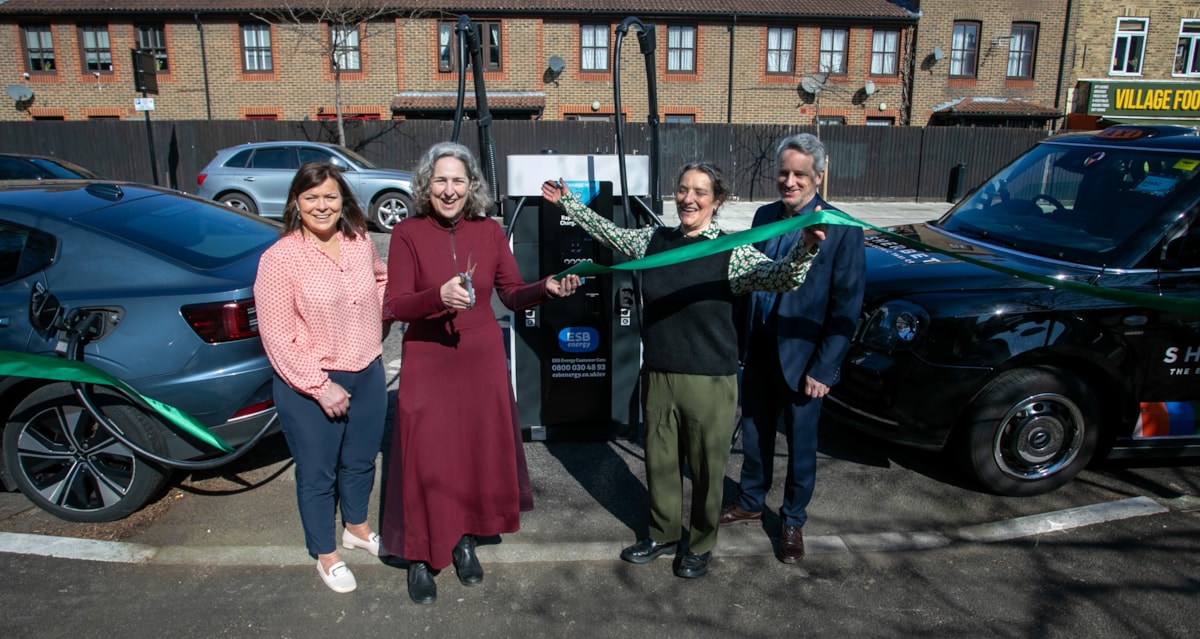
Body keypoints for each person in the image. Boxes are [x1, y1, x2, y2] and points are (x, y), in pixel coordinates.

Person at [541, 162, 823, 579]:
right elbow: (610, 234)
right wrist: (571, 205)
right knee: (660, 463)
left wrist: (806, 247)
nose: (688, 199)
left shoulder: (733, 251)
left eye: (700, 192)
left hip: (710, 381)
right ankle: (662, 533)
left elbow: (780, 277)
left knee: (708, 470)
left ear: (717, 201)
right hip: (658, 374)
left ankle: (702, 542)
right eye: (682, 189)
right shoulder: (654, 240)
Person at [381, 142, 581, 605]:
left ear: (472, 186)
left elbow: (511, 293)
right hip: (429, 361)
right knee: (424, 458)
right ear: (425, 184)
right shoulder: (408, 232)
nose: (449, 190)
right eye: (440, 180)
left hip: (481, 360)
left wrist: (545, 288)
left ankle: (464, 540)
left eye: (458, 181)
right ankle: (419, 555)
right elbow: (394, 304)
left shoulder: (489, 232)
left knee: (472, 454)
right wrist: (436, 297)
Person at [719, 133, 866, 565]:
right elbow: (749, 277)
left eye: (800, 174)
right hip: (759, 349)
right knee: (754, 435)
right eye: (784, 172)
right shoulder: (765, 215)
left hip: (804, 359)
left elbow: (847, 305)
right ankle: (749, 500)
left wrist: (826, 368)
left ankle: (792, 521)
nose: (789, 181)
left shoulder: (842, 227)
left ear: (818, 177)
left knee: (801, 447)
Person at [254, 162, 390, 594]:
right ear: (296, 202)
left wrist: (376, 323)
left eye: (330, 196)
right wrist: (318, 385)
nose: (322, 206)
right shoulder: (279, 258)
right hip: (312, 382)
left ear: (343, 201)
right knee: (317, 475)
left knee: (361, 461)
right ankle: (326, 555)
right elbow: (276, 336)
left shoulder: (358, 240)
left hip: (367, 368)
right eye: (311, 197)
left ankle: (357, 528)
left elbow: (381, 279)